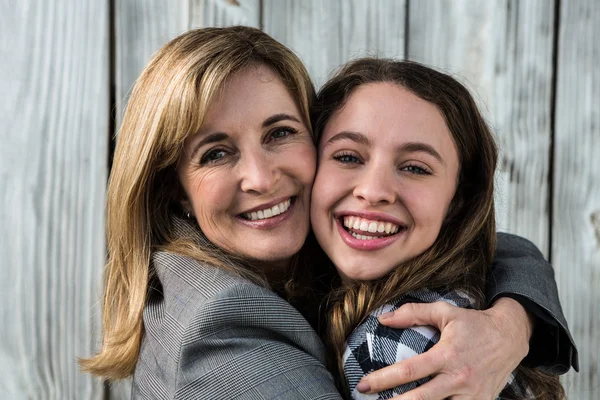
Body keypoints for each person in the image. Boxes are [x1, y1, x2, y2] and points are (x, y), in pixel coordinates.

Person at [79, 27, 576, 399]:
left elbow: (501, 246)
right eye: (215, 153)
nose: (262, 177)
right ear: (175, 191)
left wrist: (513, 323)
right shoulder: (219, 324)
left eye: (279, 133)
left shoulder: (318, 254)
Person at [310, 58, 567, 399]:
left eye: (415, 167)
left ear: (458, 199)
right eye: (348, 157)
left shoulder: (396, 345)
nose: (373, 191)